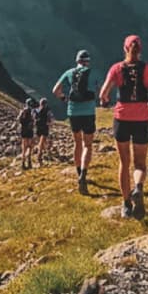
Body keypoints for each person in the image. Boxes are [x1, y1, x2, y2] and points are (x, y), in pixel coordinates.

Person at [98, 35, 148, 219]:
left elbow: (103, 94)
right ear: (140, 50)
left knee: (124, 163)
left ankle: (126, 204)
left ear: (125, 49)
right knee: (140, 163)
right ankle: (139, 188)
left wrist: (105, 102)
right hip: (141, 119)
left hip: (122, 118)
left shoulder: (116, 69)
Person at [52, 50, 97, 194]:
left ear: (77, 61)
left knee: (77, 143)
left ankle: (78, 173)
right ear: (88, 61)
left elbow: (55, 90)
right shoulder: (93, 73)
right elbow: (101, 90)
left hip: (73, 113)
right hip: (89, 112)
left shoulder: (69, 73)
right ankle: (84, 175)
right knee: (87, 145)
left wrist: (64, 99)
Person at [16, 98, 36, 170]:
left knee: (24, 146)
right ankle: (29, 160)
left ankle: (23, 163)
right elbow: (34, 120)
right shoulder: (32, 111)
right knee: (30, 146)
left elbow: (19, 119)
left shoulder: (23, 111)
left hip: (23, 130)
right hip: (30, 130)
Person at [33, 97, 53, 165]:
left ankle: (40, 152)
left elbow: (34, 118)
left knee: (40, 140)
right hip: (45, 126)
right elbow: (50, 117)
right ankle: (40, 155)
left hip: (38, 127)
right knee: (42, 141)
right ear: (46, 103)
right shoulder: (47, 109)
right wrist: (50, 123)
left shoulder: (36, 110)